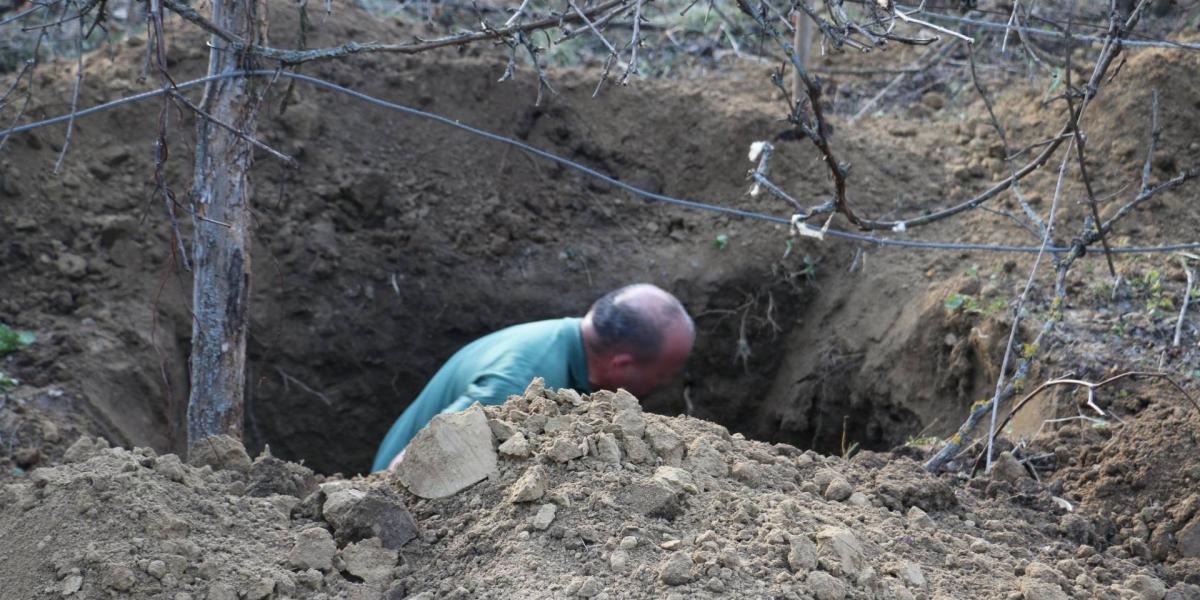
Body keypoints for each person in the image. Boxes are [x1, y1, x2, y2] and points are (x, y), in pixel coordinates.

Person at [371, 283, 694, 472]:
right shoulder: (516, 387)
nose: (665, 384)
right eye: (663, 374)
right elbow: (403, 470)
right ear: (621, 365)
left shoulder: (567, 343)